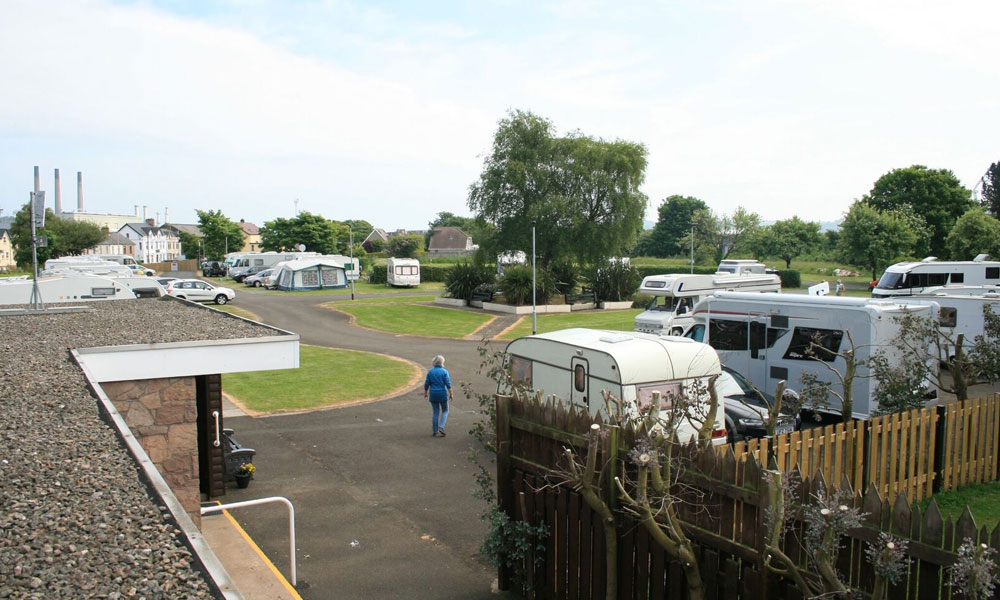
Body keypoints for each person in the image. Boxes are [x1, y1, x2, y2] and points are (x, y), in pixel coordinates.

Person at [424, 355, 453, 437]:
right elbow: (448, 384)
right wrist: (451, 394)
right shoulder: (444, 372)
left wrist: (426, 392)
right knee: (445, 410)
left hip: (433, 394)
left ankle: (435, 430)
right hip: (442, 394)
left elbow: (427, 383)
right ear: (442, 362)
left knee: (435, 412)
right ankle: (441, 426)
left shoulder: (430, 372)